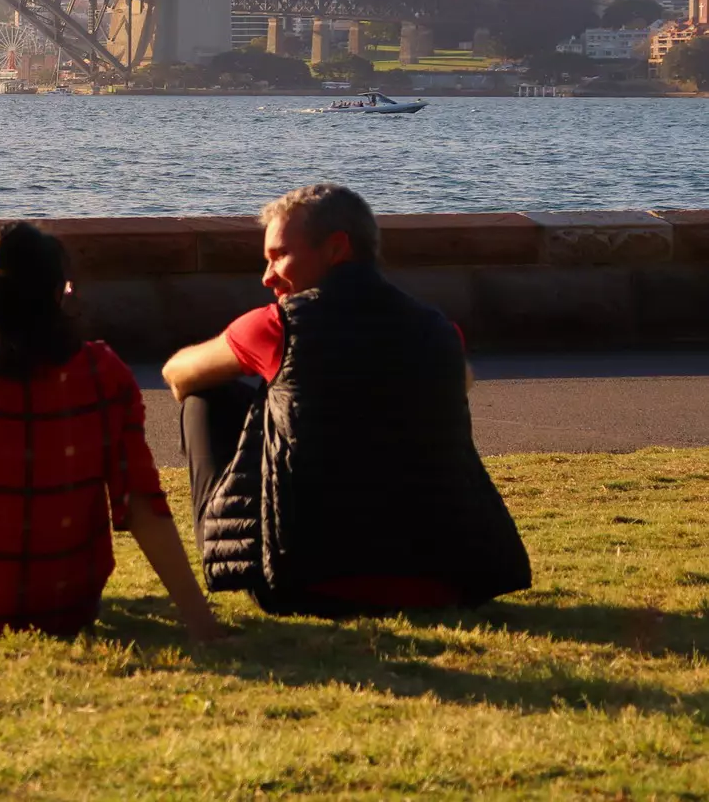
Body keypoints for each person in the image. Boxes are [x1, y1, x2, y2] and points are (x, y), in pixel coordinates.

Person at [161, 183, 529, 617]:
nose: (267, 276)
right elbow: (460, 383)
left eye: (279, 256)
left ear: (336, 249)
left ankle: (228, 567)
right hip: (444, 582)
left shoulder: (277, 325)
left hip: (307, 584)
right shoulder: (439, 330)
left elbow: (177, 374)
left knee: (207, 396)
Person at [0, 222, 222, 650]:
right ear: (57, 294)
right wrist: (201, 624)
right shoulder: (102, 372)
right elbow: (143, 502)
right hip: (69, 609)